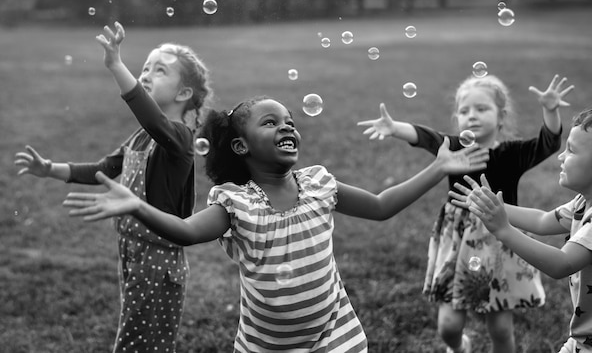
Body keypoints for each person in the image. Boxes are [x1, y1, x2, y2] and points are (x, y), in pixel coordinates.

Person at [62, 95, 490, 352]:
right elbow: (187, 232)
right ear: (240, 145)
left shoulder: (320, 184)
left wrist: (437, 170)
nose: (287, 126)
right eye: (271, 122)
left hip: (332, 332)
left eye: (289, 121)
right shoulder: (238, 204)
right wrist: (137, 205)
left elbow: (380, 205)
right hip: (266, 345)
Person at [14, 21, 213, 353]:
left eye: (159, 70)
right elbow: (103, 170)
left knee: (141, 343)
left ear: (183, 94)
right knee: (136, 334)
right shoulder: (141, 137)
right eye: (145, 67)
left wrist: (116, 65)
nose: (146, 74)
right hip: (133, 252)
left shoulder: (178, 138)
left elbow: (152, 119)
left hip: (159, 259)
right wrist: (51, 170)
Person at [357, 74, 574, 353]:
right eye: (464, 110)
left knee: (500, 328)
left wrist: (550, 110)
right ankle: (460, 347)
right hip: (459, 242)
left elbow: (548, 143)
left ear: (501, 116)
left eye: (481, 109)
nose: (472, 116)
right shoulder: (454, 148)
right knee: (448, 326)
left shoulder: (512, 153)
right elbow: (425, 136)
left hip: (500, 238)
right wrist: (395, 127)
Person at [454, 104, 592, 353]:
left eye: (571, 150)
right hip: (590, 337)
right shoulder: (588, 201)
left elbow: (562, 264)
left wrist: (503, 230)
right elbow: (543, 221)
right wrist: (493, 207)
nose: (561, 156)